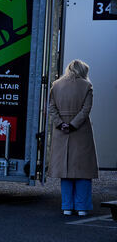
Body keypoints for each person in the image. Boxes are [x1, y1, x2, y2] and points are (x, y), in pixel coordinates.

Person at [48, 59, 99, 216]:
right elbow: (86, 109)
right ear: (83, 71)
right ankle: (82, 207)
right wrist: (73, 124)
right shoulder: (86, 86)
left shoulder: (56, 85)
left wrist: (61, 123)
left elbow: (51, 108)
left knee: (66, 171)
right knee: (83, 172)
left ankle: (67, 207)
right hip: (81, 132)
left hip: (61, 133)